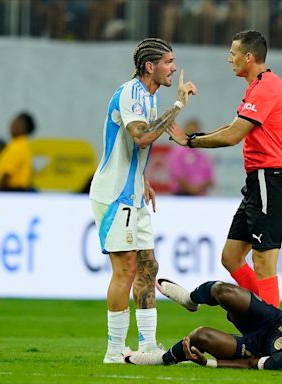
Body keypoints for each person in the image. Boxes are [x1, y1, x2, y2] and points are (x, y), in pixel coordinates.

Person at [167, 30, 282, 308]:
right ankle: (264, 317)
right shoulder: (258, 86)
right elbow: (233, 127)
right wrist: (192, 139)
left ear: (248, 57)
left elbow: (232, 136)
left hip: (271, 177)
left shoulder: (267, 88)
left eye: (233, 53)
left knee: (263, 260)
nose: (229, 59)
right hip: (260, 180)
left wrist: (189, 141)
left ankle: (273, 333)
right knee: (231, 257)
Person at [88, 37, 197, 363]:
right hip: (114, 195)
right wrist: (177, 106)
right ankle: (114, 350)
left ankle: (148, 345)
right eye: (168, 62)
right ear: (150, 66)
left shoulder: (149, 99)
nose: (174, 68)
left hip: (134, 195)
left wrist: (144, 178)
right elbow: (143, 136)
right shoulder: (131, 94)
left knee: (148, 267)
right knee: (125, 270)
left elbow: (176, 138)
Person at [126, 279, 282, 371]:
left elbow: (249, 364)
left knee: (201, 336)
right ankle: (190, 299)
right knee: (222, 290)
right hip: (274, 318)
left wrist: (209, 363)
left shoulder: (281, 360)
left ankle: (161, 359)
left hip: (256, 346)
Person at [166, 119, 215, 196]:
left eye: (195, 131)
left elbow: (210, 180)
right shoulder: (177, 152)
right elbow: (177, 174)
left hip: (199, 197)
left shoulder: (203, 156)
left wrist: (199, 188)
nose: (192, 134)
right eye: (190, 130)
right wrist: (191, 189)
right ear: (185, 131)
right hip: (181, 195)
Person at [0, 112, 36, 192]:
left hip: (11, 190)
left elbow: (7, 173)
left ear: (25, 128)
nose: (12, 125)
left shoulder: (17, 146)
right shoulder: (23, 145)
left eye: (17, 123)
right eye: (13, 121)